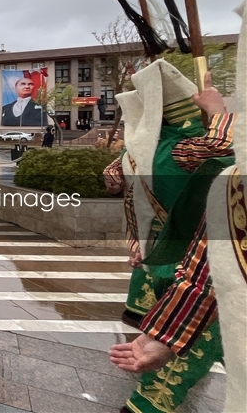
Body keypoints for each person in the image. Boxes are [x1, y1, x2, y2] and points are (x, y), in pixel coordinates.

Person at [103, 62, 231, 413]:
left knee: (170, 329)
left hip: (161, 254)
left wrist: (137, 244)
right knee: (193, 339)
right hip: (201, 260)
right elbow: (228, 147)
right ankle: (149, 403)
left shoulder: (132, 155)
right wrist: (218, 112)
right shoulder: (183, 150)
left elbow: (117, 186)